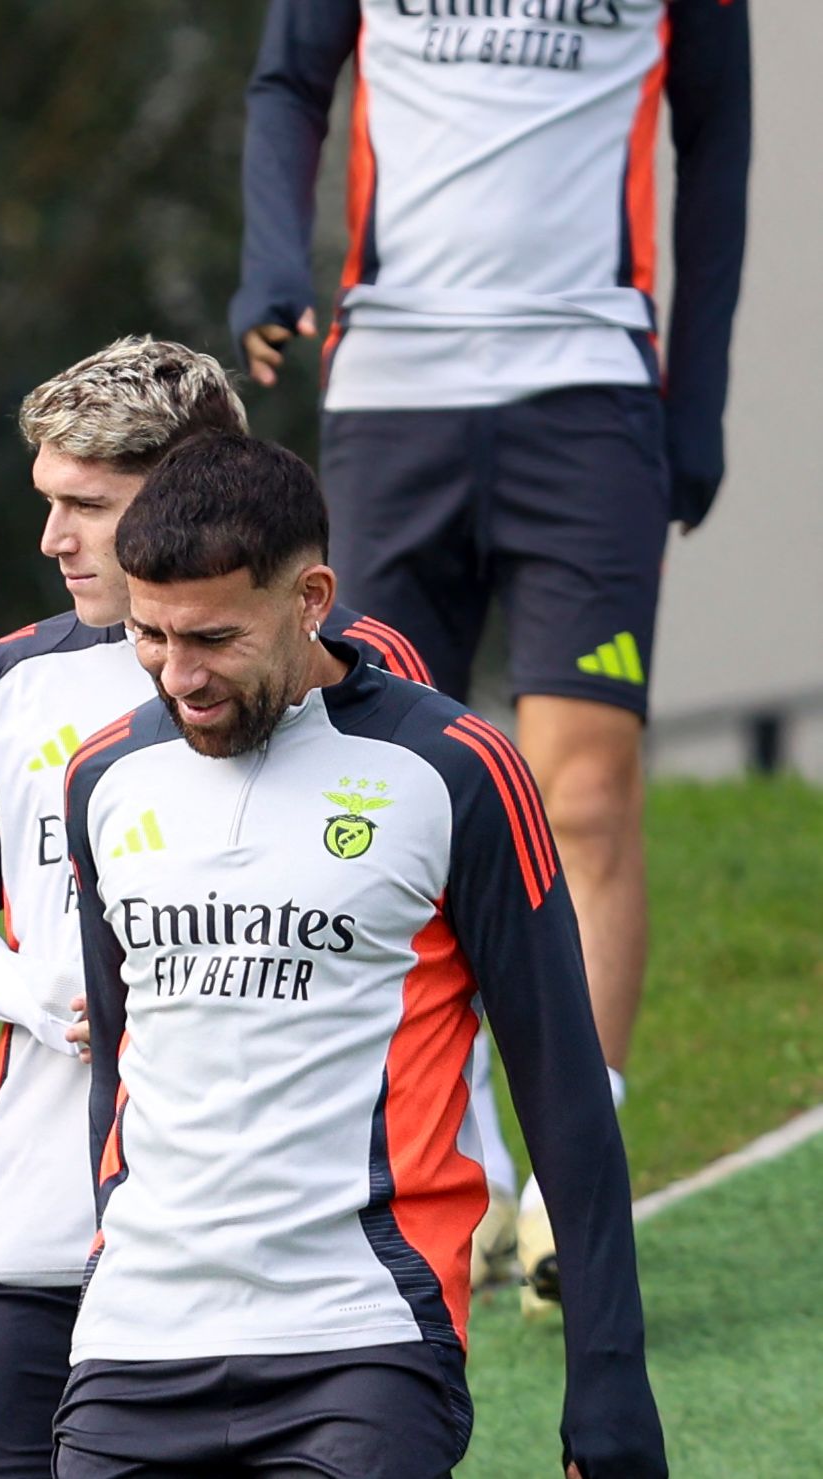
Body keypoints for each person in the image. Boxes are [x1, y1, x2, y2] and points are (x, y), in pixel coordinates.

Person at [230, 0, 752, 1309]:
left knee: (582, 788)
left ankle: (579, 1179)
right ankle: (452, 1154)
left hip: (588, 394)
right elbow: (289, 78)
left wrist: (697, 392)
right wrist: (271, 264)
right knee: (382, 777)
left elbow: (720, 135)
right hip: (392, 395)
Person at [59, 432, 661, 1478]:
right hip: (131, 1346)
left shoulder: (456, 772)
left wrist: (607, 1381)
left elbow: (562, 1090)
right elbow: (118, 1070)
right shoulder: (102, 779)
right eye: (151, 638)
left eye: (211, 638)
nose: (178, 676)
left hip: (362, 1343)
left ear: (310, 597)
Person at [0, 338, 437, 1477]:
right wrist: (42, 995)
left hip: (273, 1266)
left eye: (87, 506)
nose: (53, 539)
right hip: (28, 1228)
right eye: (48, 503)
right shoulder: (12, 678)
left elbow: (427, 947)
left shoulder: (348, 672)